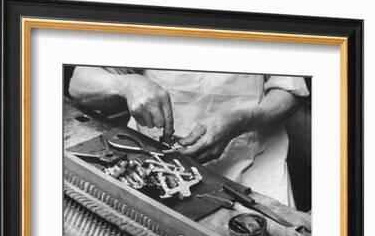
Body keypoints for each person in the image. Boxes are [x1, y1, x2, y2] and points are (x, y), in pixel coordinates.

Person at [68, 66, 309, 206]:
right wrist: (126, 85)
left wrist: (242, 119)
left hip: (252, 166)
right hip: (153, 164)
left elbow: (290, 91)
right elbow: (79, 83)